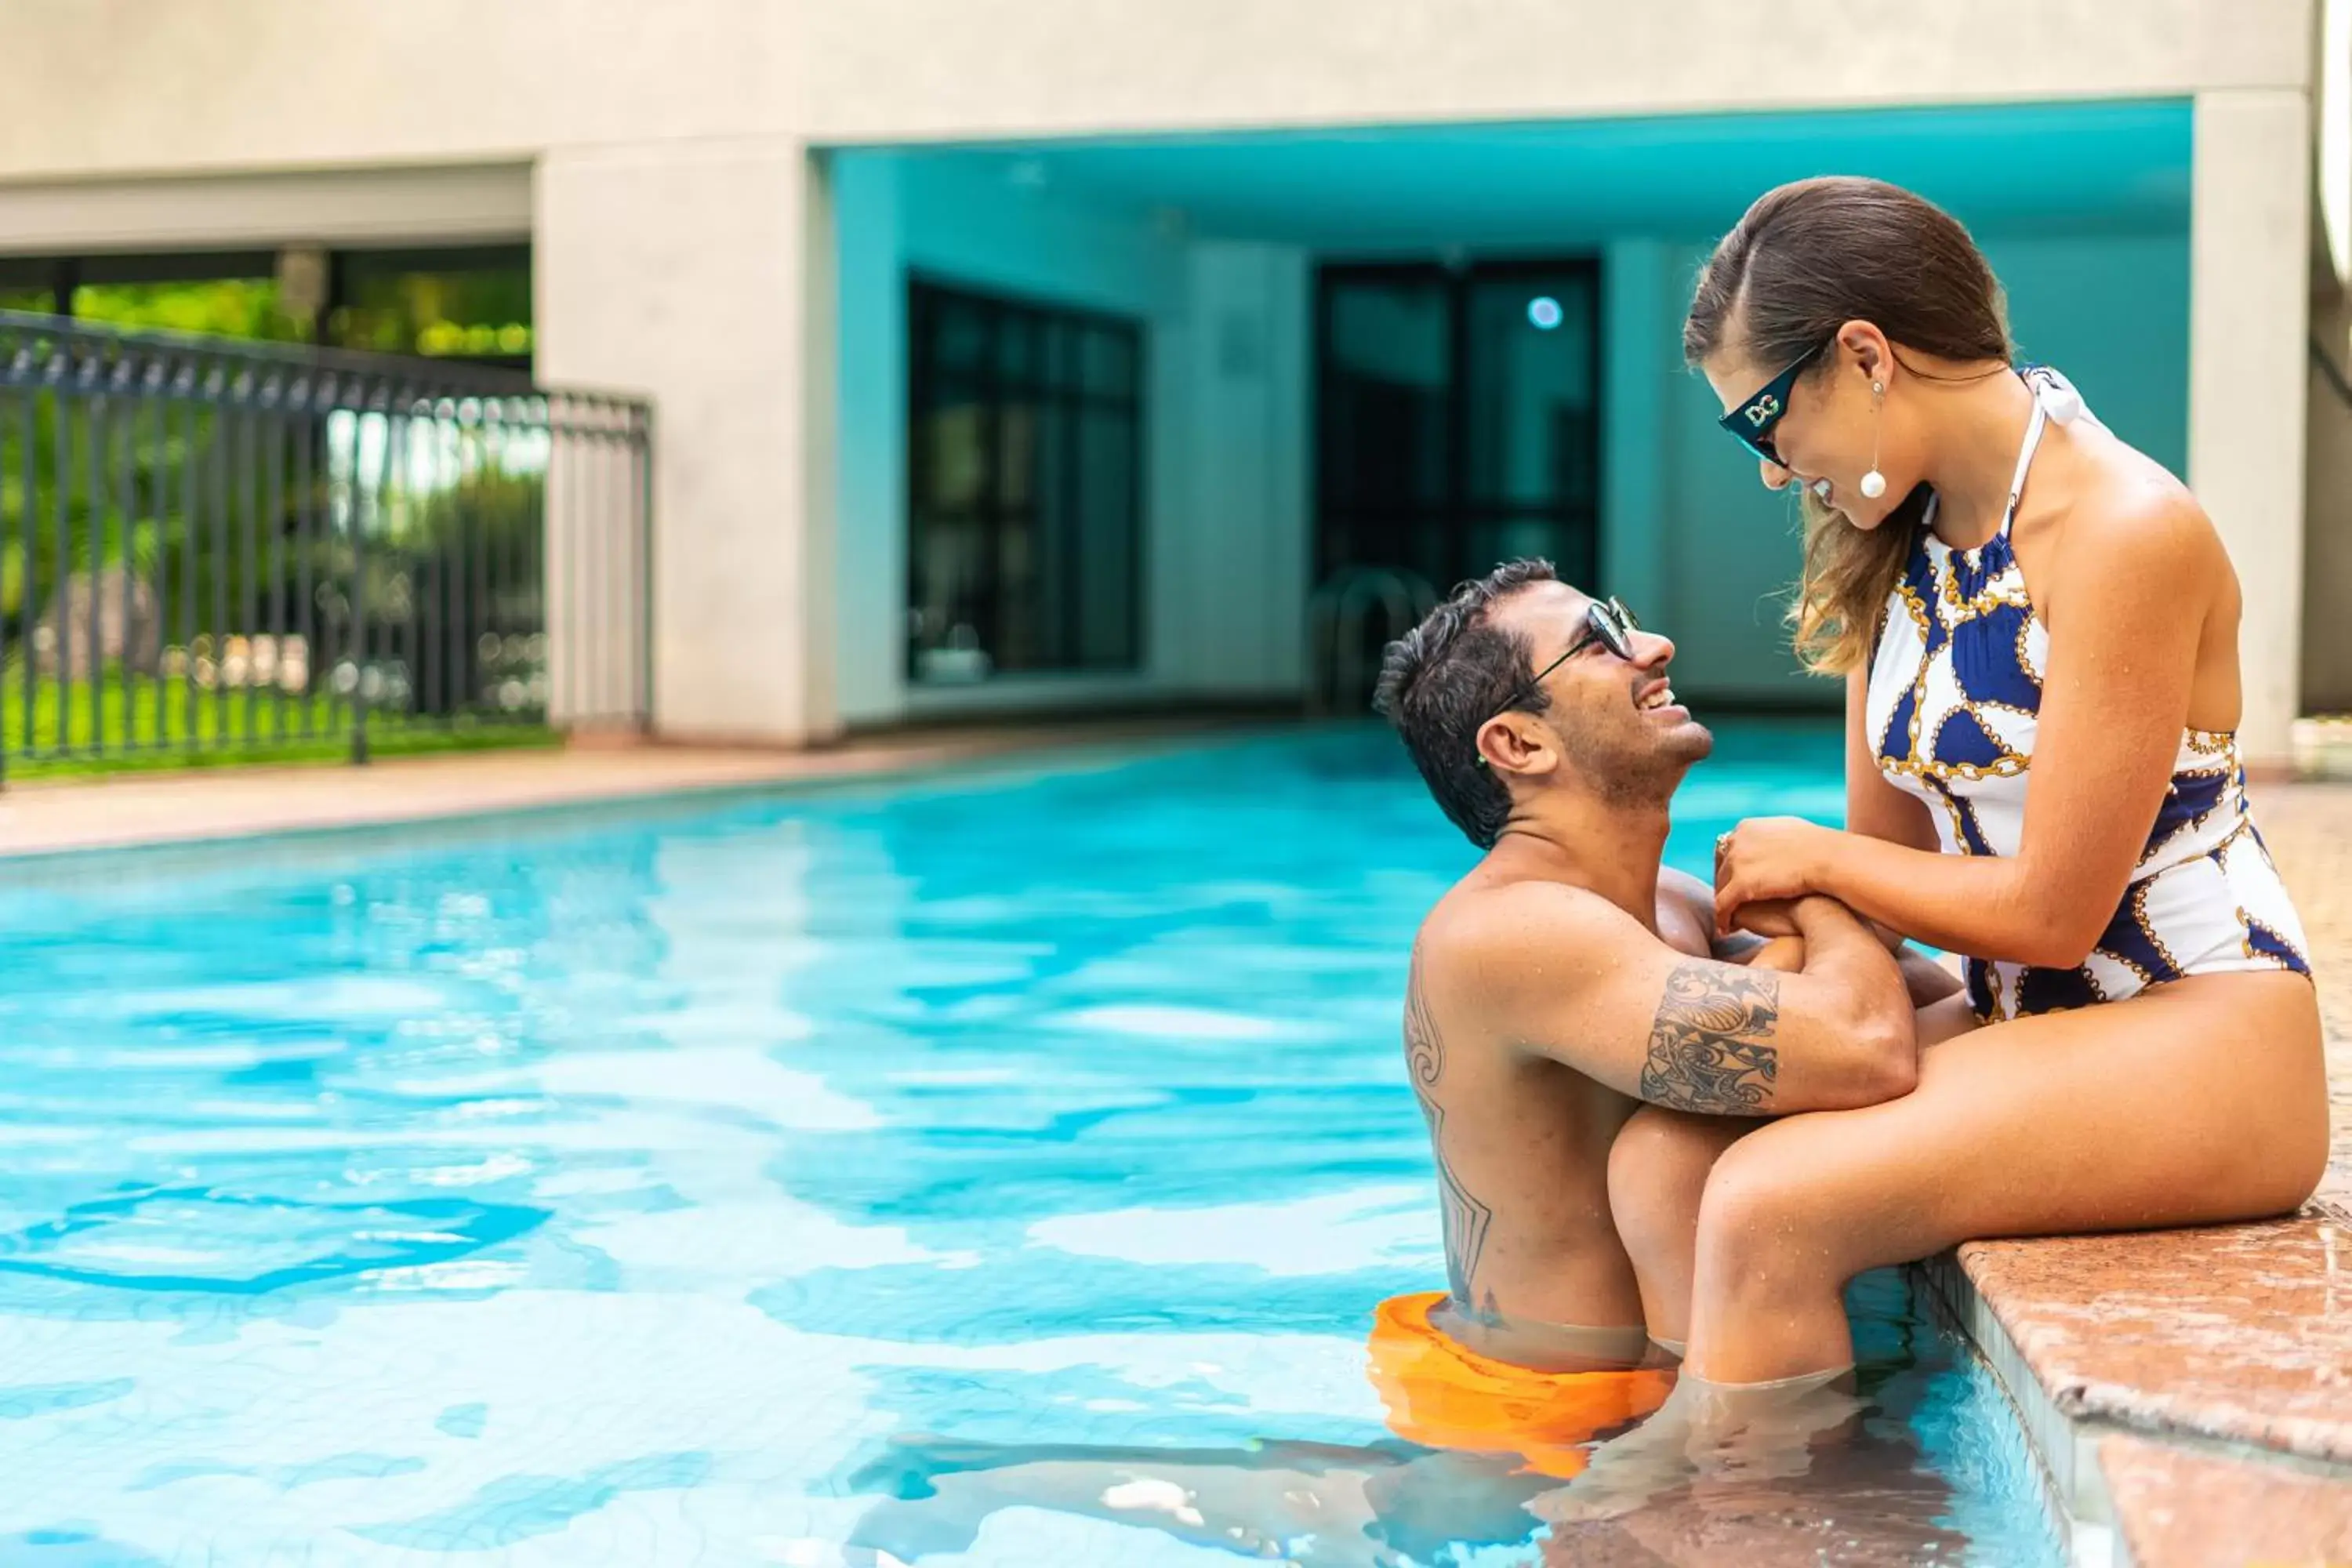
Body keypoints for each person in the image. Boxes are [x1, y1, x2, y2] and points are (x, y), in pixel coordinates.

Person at [1646, 175, 2329, 1392]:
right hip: (2035, 1014)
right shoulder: (1892, 535)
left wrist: (1811, 860)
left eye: (1762, 419)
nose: (1768, 467)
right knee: (1670, 1146)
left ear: (1863, 355)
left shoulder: (2123, 530)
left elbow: (2053, 912)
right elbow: (1894, 872)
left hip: (2199, 1027)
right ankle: (1686, 1450)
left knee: (1767, 1205)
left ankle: (1749, 1517)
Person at [1359, 560, 1962, 1465]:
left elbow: (1943, 1003)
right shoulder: (1512, 933)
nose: (1653, 645)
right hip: (1545, 1420)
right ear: (1519, 744)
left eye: (1627, 619)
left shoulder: (1666, 904)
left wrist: (1808, 915)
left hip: (1652, 1381)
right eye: (1598, 640)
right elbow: (1866, 1042)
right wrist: (1826, 880)